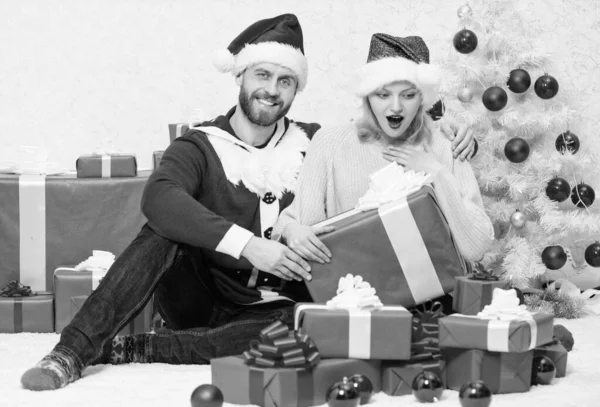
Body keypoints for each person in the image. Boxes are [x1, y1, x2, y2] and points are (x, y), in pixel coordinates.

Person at [21, 16, 476, 391]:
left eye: (285, 80)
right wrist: (249, 245)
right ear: (240, 76)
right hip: (202, 294)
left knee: (316, 326)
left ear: (296, 90)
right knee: (163, 230)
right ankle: (71, 351)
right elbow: (159, 198)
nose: (272, 90)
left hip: (279, 307)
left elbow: (382, 122)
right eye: (262, 75)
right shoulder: (199, 145)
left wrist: (445, 128)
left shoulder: (315, 141)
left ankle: (144, 348)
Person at [272, 34, 495, 283]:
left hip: (436, 298)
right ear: (367, 95)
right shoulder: (329, 143)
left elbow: (476, 246)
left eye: (408, 95)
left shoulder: (445, 143)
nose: (396, 107)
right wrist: (292, 230)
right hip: (355, 298)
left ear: (423, 98)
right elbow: (300, 225)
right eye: (383, 94)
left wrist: (436, 171)